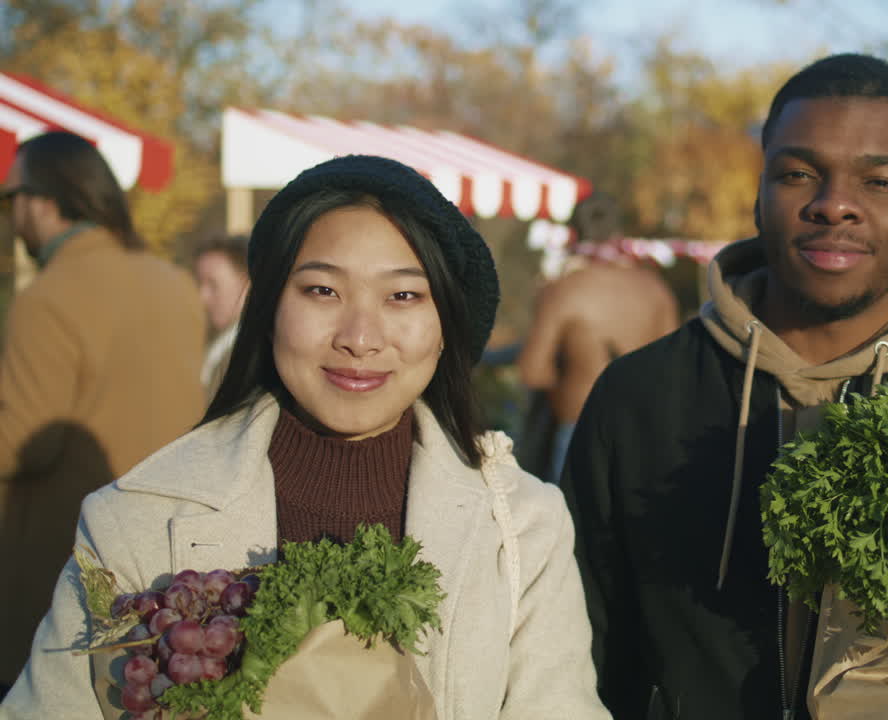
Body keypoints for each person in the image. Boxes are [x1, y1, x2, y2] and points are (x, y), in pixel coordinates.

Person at [560, 53, 888, 720]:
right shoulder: (638, 399)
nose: (834, 205)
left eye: (879, 182)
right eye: (798, 174)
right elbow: (579, 651)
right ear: (759, 195)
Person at [0, 155, 610, 719]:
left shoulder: (524, 527)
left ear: (445, 325)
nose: (360, 337)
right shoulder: (134, 521)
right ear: (268, 310)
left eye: (403, 296)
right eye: (322, 290)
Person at [0, 132, 205, 694]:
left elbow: (24, 441)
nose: (11, 218)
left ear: (40, 201)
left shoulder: (48, 296)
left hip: (59, 570)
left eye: (9, 199)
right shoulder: (174, 284)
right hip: (163, 564)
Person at [516, 193, 679, 482]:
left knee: (576, 525)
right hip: (646, 434)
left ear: (574, 233)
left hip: (579, 430)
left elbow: (532, 372)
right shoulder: (656, 290)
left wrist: (571, 373)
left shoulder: (563, 290)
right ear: (619, 232)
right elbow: (674, 374)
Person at [190, 233, 250, 400]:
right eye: (199, 283)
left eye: (213, 284)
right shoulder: (217, 345)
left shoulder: (250, 357)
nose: (202, 297)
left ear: (246, 284)